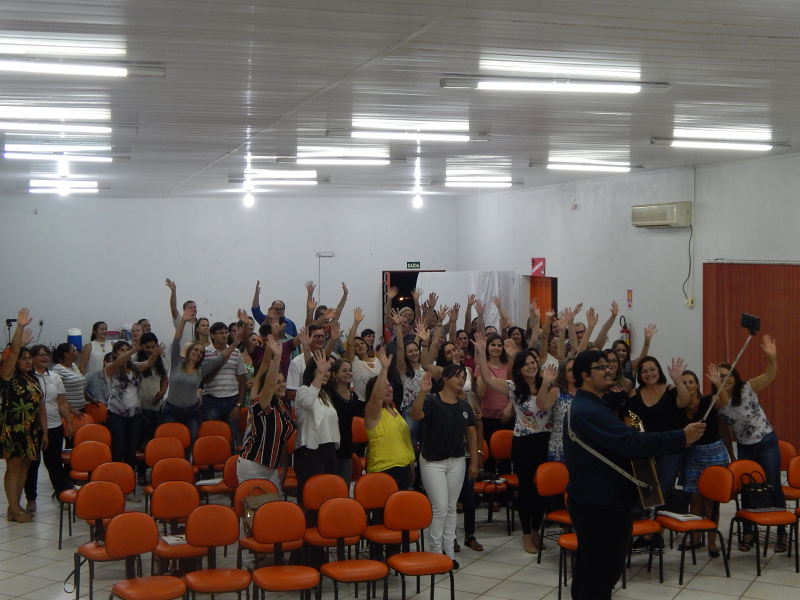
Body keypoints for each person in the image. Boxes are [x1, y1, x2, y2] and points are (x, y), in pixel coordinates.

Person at [564, 350, 706, 600]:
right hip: (601, 506)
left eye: (608, 366)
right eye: (601, 367)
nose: (609, 370)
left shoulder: (592, 405)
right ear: (585, 375)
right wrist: (680, 436)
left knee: (590, 570)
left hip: (596, 501)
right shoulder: (590, 410)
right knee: (601, 575)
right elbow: (630, 443)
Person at [474, 334, 558, 553]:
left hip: (545, 442)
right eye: (526, 364)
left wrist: (545, 382)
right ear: (519, 369)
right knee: (527, 489)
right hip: (523, 443)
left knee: (542, 489)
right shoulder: (513, 387)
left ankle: (536, 528)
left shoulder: (549, 384)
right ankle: (527, 534)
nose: (531, 366)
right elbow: (487, 379)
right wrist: (481, 353)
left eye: (533, 362)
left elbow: (543, 404)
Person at [716, 335, 787, 553]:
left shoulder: (747, 388)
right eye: (721, 376)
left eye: (729, 375)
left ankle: (781, 532)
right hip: (744, 447)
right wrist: (732, 455)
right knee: (748, 489)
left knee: (773, 485)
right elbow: (724, 431)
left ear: (735, 376)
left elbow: (769, 376)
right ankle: (748, 531)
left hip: (766, 443)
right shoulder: (718, 403)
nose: (726, 379)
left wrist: (772, 358)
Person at [410, 366, 479, 569]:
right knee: (439, 507)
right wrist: (423, 391)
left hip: (456, 460)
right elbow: (415, 415)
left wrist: (474, 462)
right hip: (433, 461)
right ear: (446, 378)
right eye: (457, 376)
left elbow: (471, 435)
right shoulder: (432, 401)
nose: (461, 379)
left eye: (463, 377)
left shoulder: (464, 405)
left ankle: (448, 553)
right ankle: (435, 552)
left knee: (450, 507)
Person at [164, 306, 239, 449]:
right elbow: (176, 341)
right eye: (195, 349)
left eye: (201, 352)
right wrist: (183, 321)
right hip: (171, 411)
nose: (198, 353)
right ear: (189, 350)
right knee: (170, 445)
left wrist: (235, 343)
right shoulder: (176, 363)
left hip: (191, 412)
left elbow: (220, 357)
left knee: (191, 445)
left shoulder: (202, 370)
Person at [0, 309, 48, 523]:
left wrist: (44, 431)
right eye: (24, 359)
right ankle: (13, 508)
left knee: (25, 466)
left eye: (30, 358)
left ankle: (16, 507)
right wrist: (19, 328)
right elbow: (13, 351)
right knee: (14, 466)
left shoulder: (32, 379)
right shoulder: (8, 375)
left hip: (30, 429)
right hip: (13, 427)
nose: (28, 362)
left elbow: (40, 406)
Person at [680, 366, 729, 557]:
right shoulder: (679, 406)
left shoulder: (708, 401)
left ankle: (711, 542)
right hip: (693, 455)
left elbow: (724, 400)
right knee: (695, 498)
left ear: (697, 385)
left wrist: (717, 382)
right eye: (684, 383)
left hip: (713, 454)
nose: (688, 385)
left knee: (711, 500)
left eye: (691, 382)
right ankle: (695, 538)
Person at [237, 336, 295, 493]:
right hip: (253, 464)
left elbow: (282, 440)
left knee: (274, 506)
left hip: (272, 467)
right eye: (277, 382)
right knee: (253, 506)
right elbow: (268, 384)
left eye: (283, 381)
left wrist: (285, 467)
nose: (282, 385)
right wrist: (277, 358)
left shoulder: (283, 407)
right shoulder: (260, 404)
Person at [627, 355, 690, 496]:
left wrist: (678, 380)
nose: (649, 374)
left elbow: (684, 402)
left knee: (663, 491)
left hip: (670, 450)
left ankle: (663, 510)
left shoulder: (671, 389)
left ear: (659, 370)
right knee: (646, 494)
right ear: (639, 375)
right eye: (644, 371)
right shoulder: (634, 394)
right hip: (645, 450)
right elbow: (629, 423)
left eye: (652, 369)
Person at [24, 344, 74, 513]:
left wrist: (69, 421)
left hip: (54, 425)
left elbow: (61, 402)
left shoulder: (55, 377)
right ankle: (31, 498)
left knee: (54, 463)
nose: (45, 358)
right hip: (32, 427)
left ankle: (61, 494)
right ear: (32, 358)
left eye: (47, 355)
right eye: (41, 355)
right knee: (32, 463)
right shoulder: (27, 377)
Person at [364, 348, 415, 490]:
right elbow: (377, 396)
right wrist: (384, 368)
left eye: (389, 386)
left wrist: (411, 465)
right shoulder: (373, 413)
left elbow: (405, 441)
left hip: (404, 468)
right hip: (383, 470)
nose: (390, 389)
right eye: (385, 387)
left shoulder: (394, 411)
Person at [294, 350, 340, 503]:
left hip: (329, 448)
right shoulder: (303, 391)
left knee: (329, 494)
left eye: (328, 370)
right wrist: (319, 375)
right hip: (310, 451)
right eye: (321, 370)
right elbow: (308, 402)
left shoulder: (325, 395)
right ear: (312, 371)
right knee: (313, 496)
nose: (326, 374)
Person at [202, 322, 247, 450]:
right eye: (220, 333)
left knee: (231, 438)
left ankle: (230, 462)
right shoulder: (205, 352)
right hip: (211, 400)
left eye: (226, 332)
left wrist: (239, 404)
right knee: (212, 438)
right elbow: (202, 380)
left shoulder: (236, 352)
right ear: (212, 335)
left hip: (232, 401)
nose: (224, 335)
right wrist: (219, 364)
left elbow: (242, 381)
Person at [134, 333, 169, 485]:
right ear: (141, 346)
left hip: (155, 406)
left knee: (154, 441)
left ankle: (156, 472)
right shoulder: (134, 359)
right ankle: (141, 473)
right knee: (140, 442)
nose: (149, 350)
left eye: (152, 347)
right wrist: (154, 355)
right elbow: (145, 366)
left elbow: (164, 378)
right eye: (147, 347)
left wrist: (162, 392)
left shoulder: (162, 360)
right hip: (138, 407)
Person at [324, 358, 363, 485]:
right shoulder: (327, 394)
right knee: (330, 485)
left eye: (350, 370)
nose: (348, 373)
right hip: (330, 444)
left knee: (344, 485)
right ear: (334, 374)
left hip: (346, 445)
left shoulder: (354, 396)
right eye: (344, 370)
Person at [345, 308, 382, 402]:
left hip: (379, 401)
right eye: (356, 345)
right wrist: (356, 323)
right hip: (361, 402)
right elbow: (349, 343)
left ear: (367, 346)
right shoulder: (354, 362)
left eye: (362, 343)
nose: (360, 346)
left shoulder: (378, 361)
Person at [52, 343, 94, 414]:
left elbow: (80, 387)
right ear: (66, 354)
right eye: (74, 351)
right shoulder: (57, 370)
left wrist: (90, 399)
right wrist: (71, 408)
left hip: (81, 408)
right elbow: (57, 394)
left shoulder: (74, 366)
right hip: (68, 411)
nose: (77, 352)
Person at [548, 358, 575, 462]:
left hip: (581, 445)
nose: (574, 372)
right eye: (569, 370)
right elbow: (543, 405)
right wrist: (545, 383)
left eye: (576, 369)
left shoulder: (587, 393)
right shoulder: (556, 391)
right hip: (560, 444)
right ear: (563, 375)